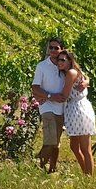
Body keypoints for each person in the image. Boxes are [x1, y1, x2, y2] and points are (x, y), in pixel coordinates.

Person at [56, 50, 96, 175]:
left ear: (70, 61)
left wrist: (47, 96)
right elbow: (86, 77)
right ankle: (86, 173)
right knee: (74, 147)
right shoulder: (71, 72)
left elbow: (65, 95)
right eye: (59, 59)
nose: (60, 62)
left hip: (79, 110)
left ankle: (89, 177)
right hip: (74, 110)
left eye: (63, 60)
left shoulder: (71, 72)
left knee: (85, 148)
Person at [32, 38, 66, 173]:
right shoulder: (42, 66)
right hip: (47, 106)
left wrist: (86, 81)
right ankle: (38, 167)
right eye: (50, 47)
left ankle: (52, 168)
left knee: (56, 142)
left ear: (61, 49)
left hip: (62, 108)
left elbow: (81, 74)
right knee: (51, 139)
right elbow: (35, 87)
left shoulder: (65, 66)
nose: (52, 50)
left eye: (56, 48)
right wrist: (50, 97)